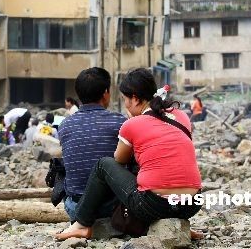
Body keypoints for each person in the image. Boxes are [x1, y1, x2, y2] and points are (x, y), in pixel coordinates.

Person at [56, 68, 202, 240]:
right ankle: (177, 225)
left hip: (154, 205)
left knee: (104, 164)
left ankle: (80, 224)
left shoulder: (132, 124)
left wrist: (133, 123)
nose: (125, 103)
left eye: (125, 99)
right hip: (192, 204)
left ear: (134, 98)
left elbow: (119, 159)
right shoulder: (182, 116)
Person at [58, 67, 126, 222]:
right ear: (105, 93)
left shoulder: (64, 125)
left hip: (75, 208)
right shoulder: (120, 122)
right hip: (112, 209)